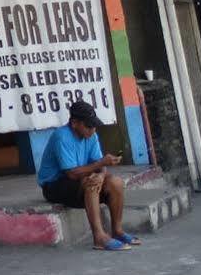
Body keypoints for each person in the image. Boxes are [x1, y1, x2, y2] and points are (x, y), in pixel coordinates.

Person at [37, 100, 137, 251]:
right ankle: (99, 237)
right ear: (74, 123)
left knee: (115, 182)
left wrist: (101, 175)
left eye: (94, 126)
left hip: (79, 179)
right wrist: (100, 166)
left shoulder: (92, 136)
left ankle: (117, 231)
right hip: (55, 185)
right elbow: (71, 173)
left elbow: (99, 164)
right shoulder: (61, 137)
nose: (93, 130)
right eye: (89, 126)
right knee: (90, 182)